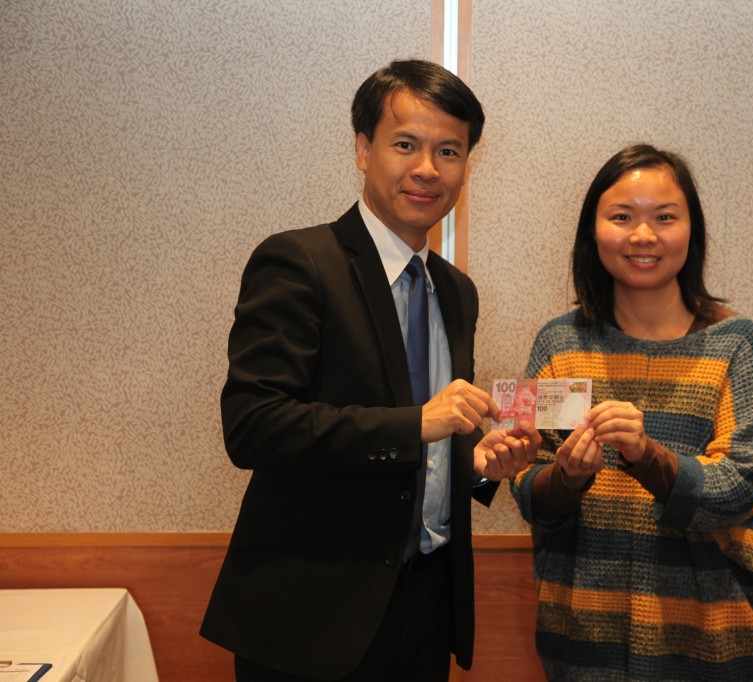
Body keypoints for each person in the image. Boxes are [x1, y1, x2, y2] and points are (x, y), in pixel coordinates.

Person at [201, 59, 539, 682]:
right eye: (405, 144)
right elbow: (252, 427)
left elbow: (429, 450)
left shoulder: (456, 292)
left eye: (449, 151)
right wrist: (416, 424)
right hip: (311, 617)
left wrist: (476, 466)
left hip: (427, 606)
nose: (428, 168)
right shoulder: (299, 262)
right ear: (363, 149)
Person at [509, 144, 753, 681]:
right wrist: (567, 477)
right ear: (592, 232)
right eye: (621, 217)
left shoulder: (737, 344)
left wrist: (647, 457)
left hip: (711, 645)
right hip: (581, 641)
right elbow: (528, 490)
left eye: (664, 217)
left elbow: (745, 487)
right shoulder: (559, 344)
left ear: (692, 230)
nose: (642, 235)